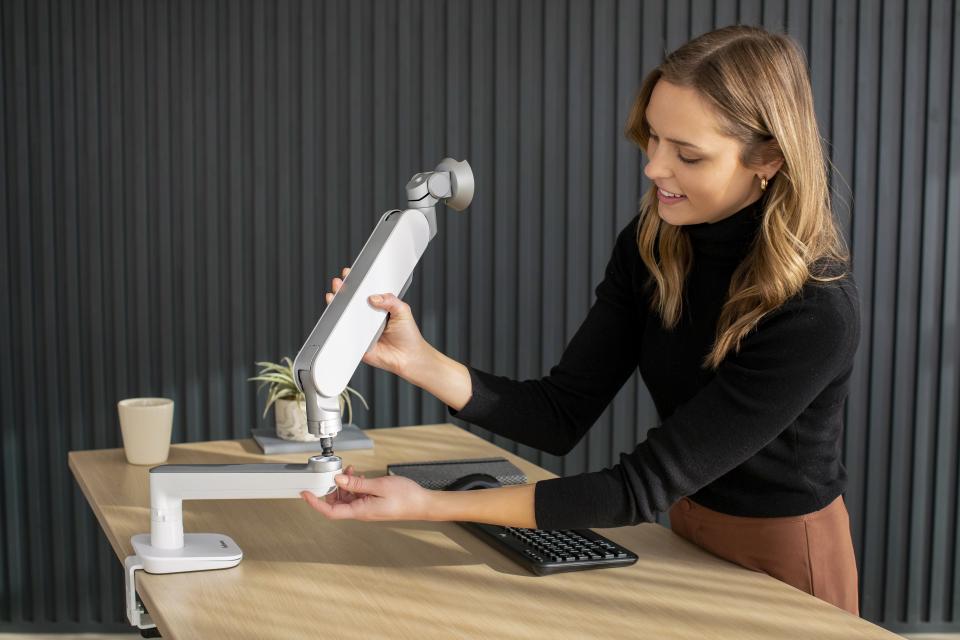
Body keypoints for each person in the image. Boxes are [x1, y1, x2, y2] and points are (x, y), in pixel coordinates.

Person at [300, 24, 861, 616]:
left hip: (785, 553)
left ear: (768, 157)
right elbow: (560, 414)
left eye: (687, 154)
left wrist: (430, 505)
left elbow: (636, 488)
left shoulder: (814, 308)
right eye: (653, 139)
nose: (654, 169)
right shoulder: (654, 245)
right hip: (687, 527)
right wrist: (420, 361)